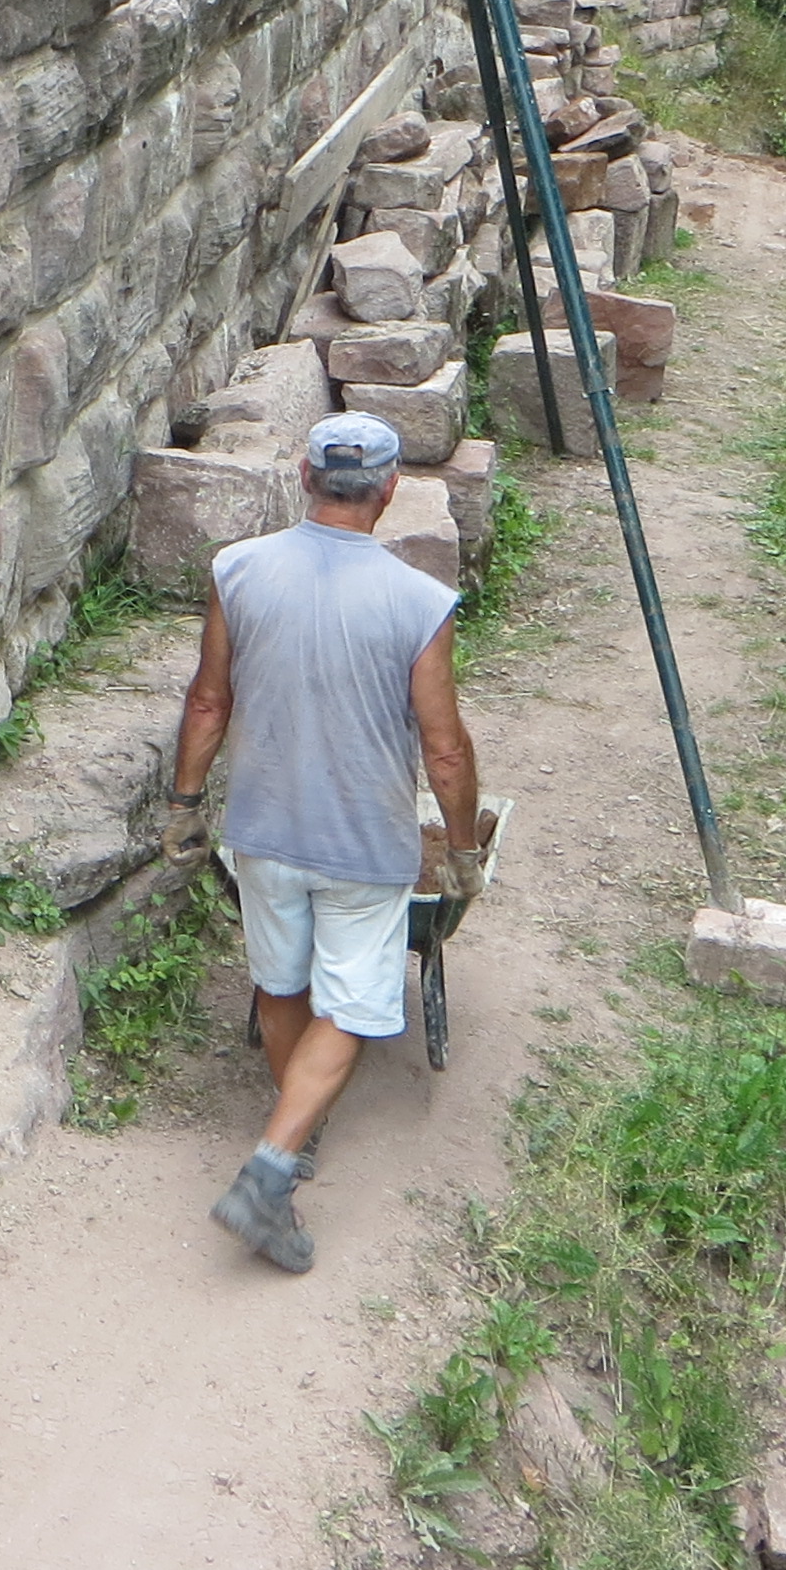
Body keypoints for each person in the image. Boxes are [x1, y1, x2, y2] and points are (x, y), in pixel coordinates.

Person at [162, 409, 485, 1273]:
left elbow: (208, 700)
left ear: (305, 477)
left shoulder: (238, 570)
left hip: (262, 829)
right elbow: (445, 748)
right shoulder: (418, 602)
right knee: (349, 1008)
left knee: (279, 984)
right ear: (389, 490)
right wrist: (461, 849)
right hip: (364, 845)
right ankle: (270, 1171)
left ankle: (295, 1126)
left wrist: (186, 804)